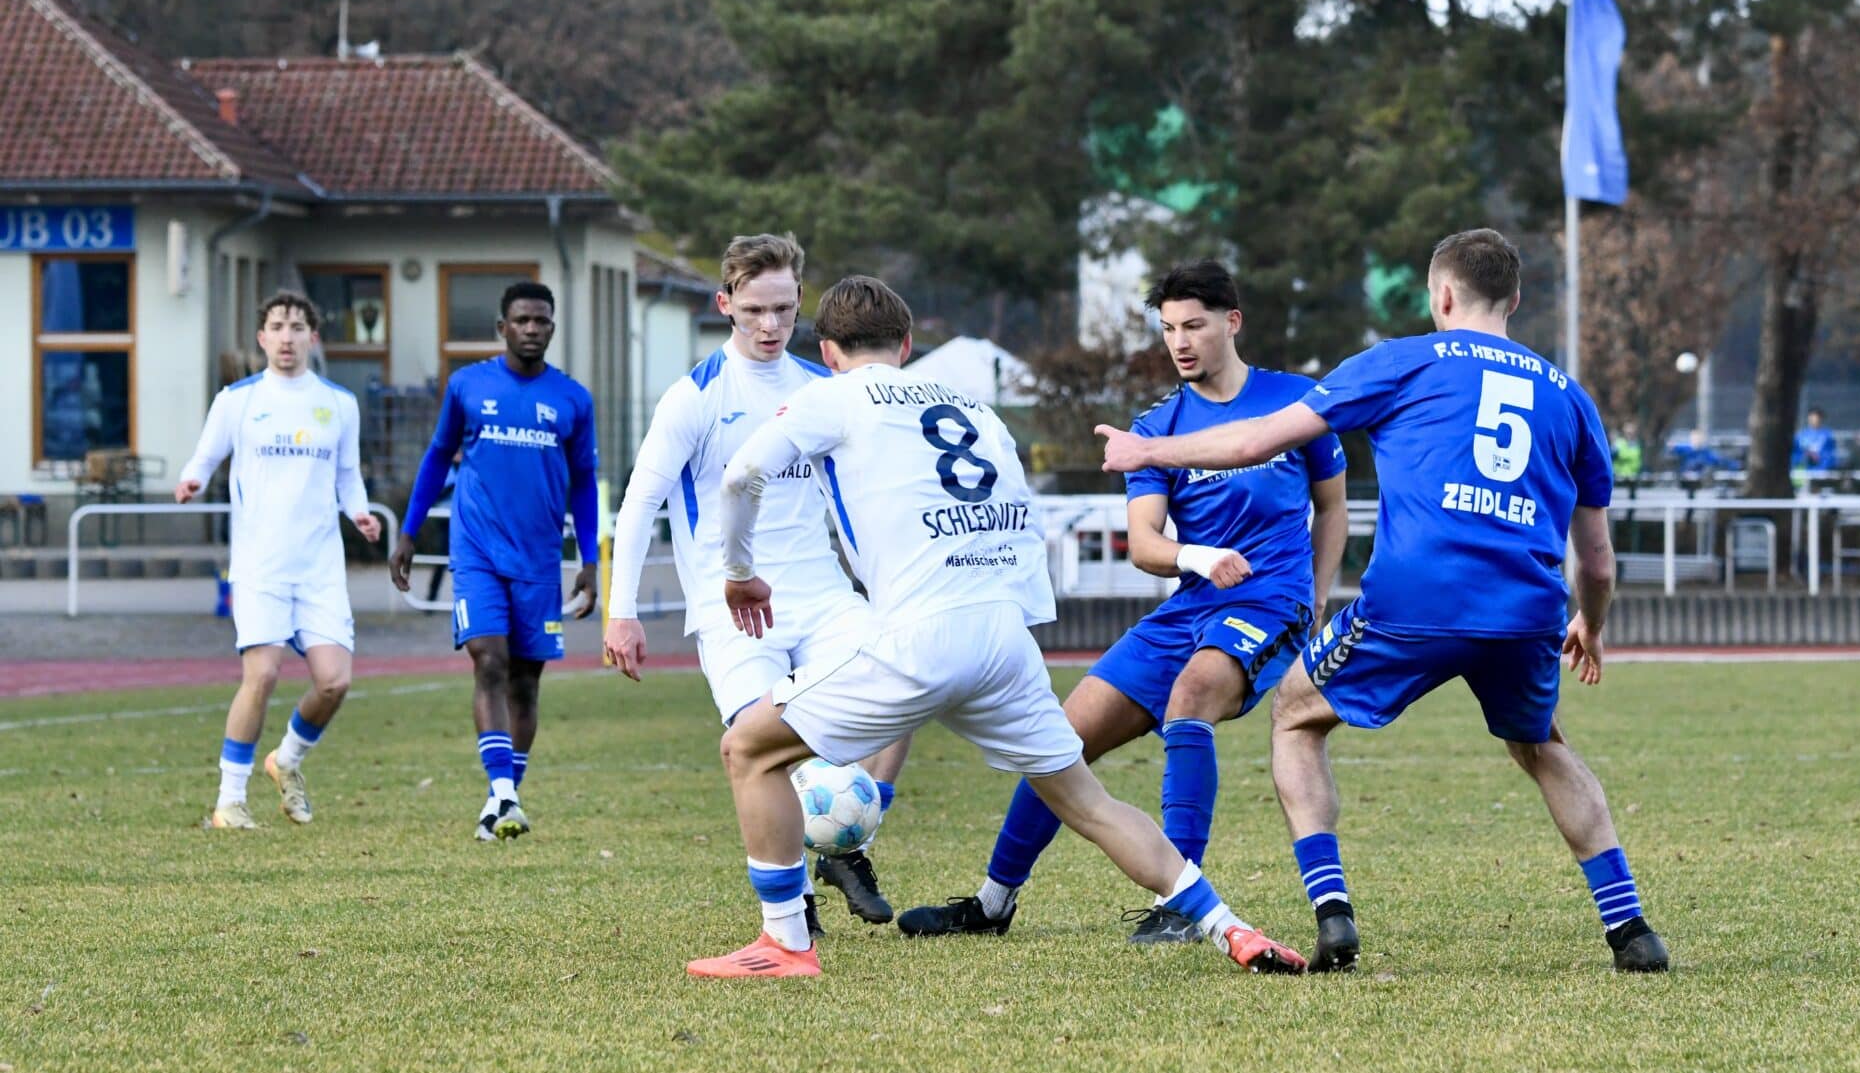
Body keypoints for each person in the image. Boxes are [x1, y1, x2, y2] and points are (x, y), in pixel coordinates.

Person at [691, 274, 1305, 978]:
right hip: (1005, 638)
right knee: (1088, 803)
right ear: (907, 344)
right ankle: (1231, 928)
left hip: (921, 636)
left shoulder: (832, 396)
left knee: (749, 749)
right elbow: (1022, 519)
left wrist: (740, 573)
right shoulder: (975, 409)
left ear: (827, 352)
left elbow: (741, 477)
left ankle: (784, 943)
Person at [1096, 229, 1670, 975]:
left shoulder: (1402, 360)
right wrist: (1590, 621)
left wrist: (1147, 451)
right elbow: (1595, 559)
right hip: (1527, 610)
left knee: (1296, 715)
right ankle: (1631, 929)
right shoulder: (1570, 397)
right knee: (1542, 746)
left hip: (1412, 600)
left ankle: (1334, 915)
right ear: (1514, 300)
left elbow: (1254, 443)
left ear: (1442, 295)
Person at [897, 260, 1348, 945]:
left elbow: (1332, 506)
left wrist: (1314, 598)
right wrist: (1196, 557)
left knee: (1191, 696)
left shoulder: (1294, 402)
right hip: (1191, 602)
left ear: (1233, 321)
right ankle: (993, 903)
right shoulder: (1155, 429)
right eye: (1168, 328)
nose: (1180, 342)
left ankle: (1184, 902)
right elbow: (1143, 544)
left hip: (1269, 600)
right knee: (1058, 740)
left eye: (1193, 325)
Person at [603, 232, 906, 928]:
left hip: (823, 596)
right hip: (733, 608)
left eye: (783, 310)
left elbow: (857, 496)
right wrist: (623, 611)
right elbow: (640, 501)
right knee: (764, 746)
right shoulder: (694, 396)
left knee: (902, 681)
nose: (770, 325)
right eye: (753, 311)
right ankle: (794, 902)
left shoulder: (822, 389)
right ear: (725, 304)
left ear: (801, 302)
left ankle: (849, 843)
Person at [389, 282, 599, 842]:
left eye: (541, 320)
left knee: (526, 681)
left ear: (552, 328)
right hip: (476, 550)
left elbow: (584, 482)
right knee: (489, 660)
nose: (532, 329)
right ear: (502, 328)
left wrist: (589, 557)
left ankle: (501, 800)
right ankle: (504, 792)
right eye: (522, 320)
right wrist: (409, 531)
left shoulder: (573, 399)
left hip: (538, 558)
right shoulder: (468, 386)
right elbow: (438, 456)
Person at [174, 291, 380, 829]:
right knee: (262, 674)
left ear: (313, 337)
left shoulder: (339, 403)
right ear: (262, 338)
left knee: (334, 682)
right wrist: (192, 480)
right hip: (260, 566)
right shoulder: (237, 400)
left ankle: (286, 760)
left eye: (297, 327)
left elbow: (348, 476)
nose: (287, 337)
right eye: (277, 327)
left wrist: (359, 513)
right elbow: (205, 455)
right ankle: (229, 800)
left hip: (320, 568)